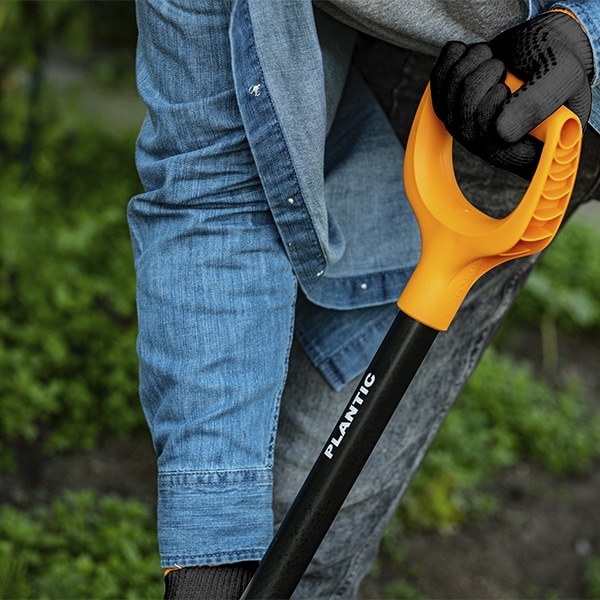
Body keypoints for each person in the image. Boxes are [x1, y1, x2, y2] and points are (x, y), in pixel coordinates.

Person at [128, 1, 600, 598]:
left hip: (557, 45)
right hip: (471, 86)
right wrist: (212, 554)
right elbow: (213, 183)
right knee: (293, 524)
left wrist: (589, 32)